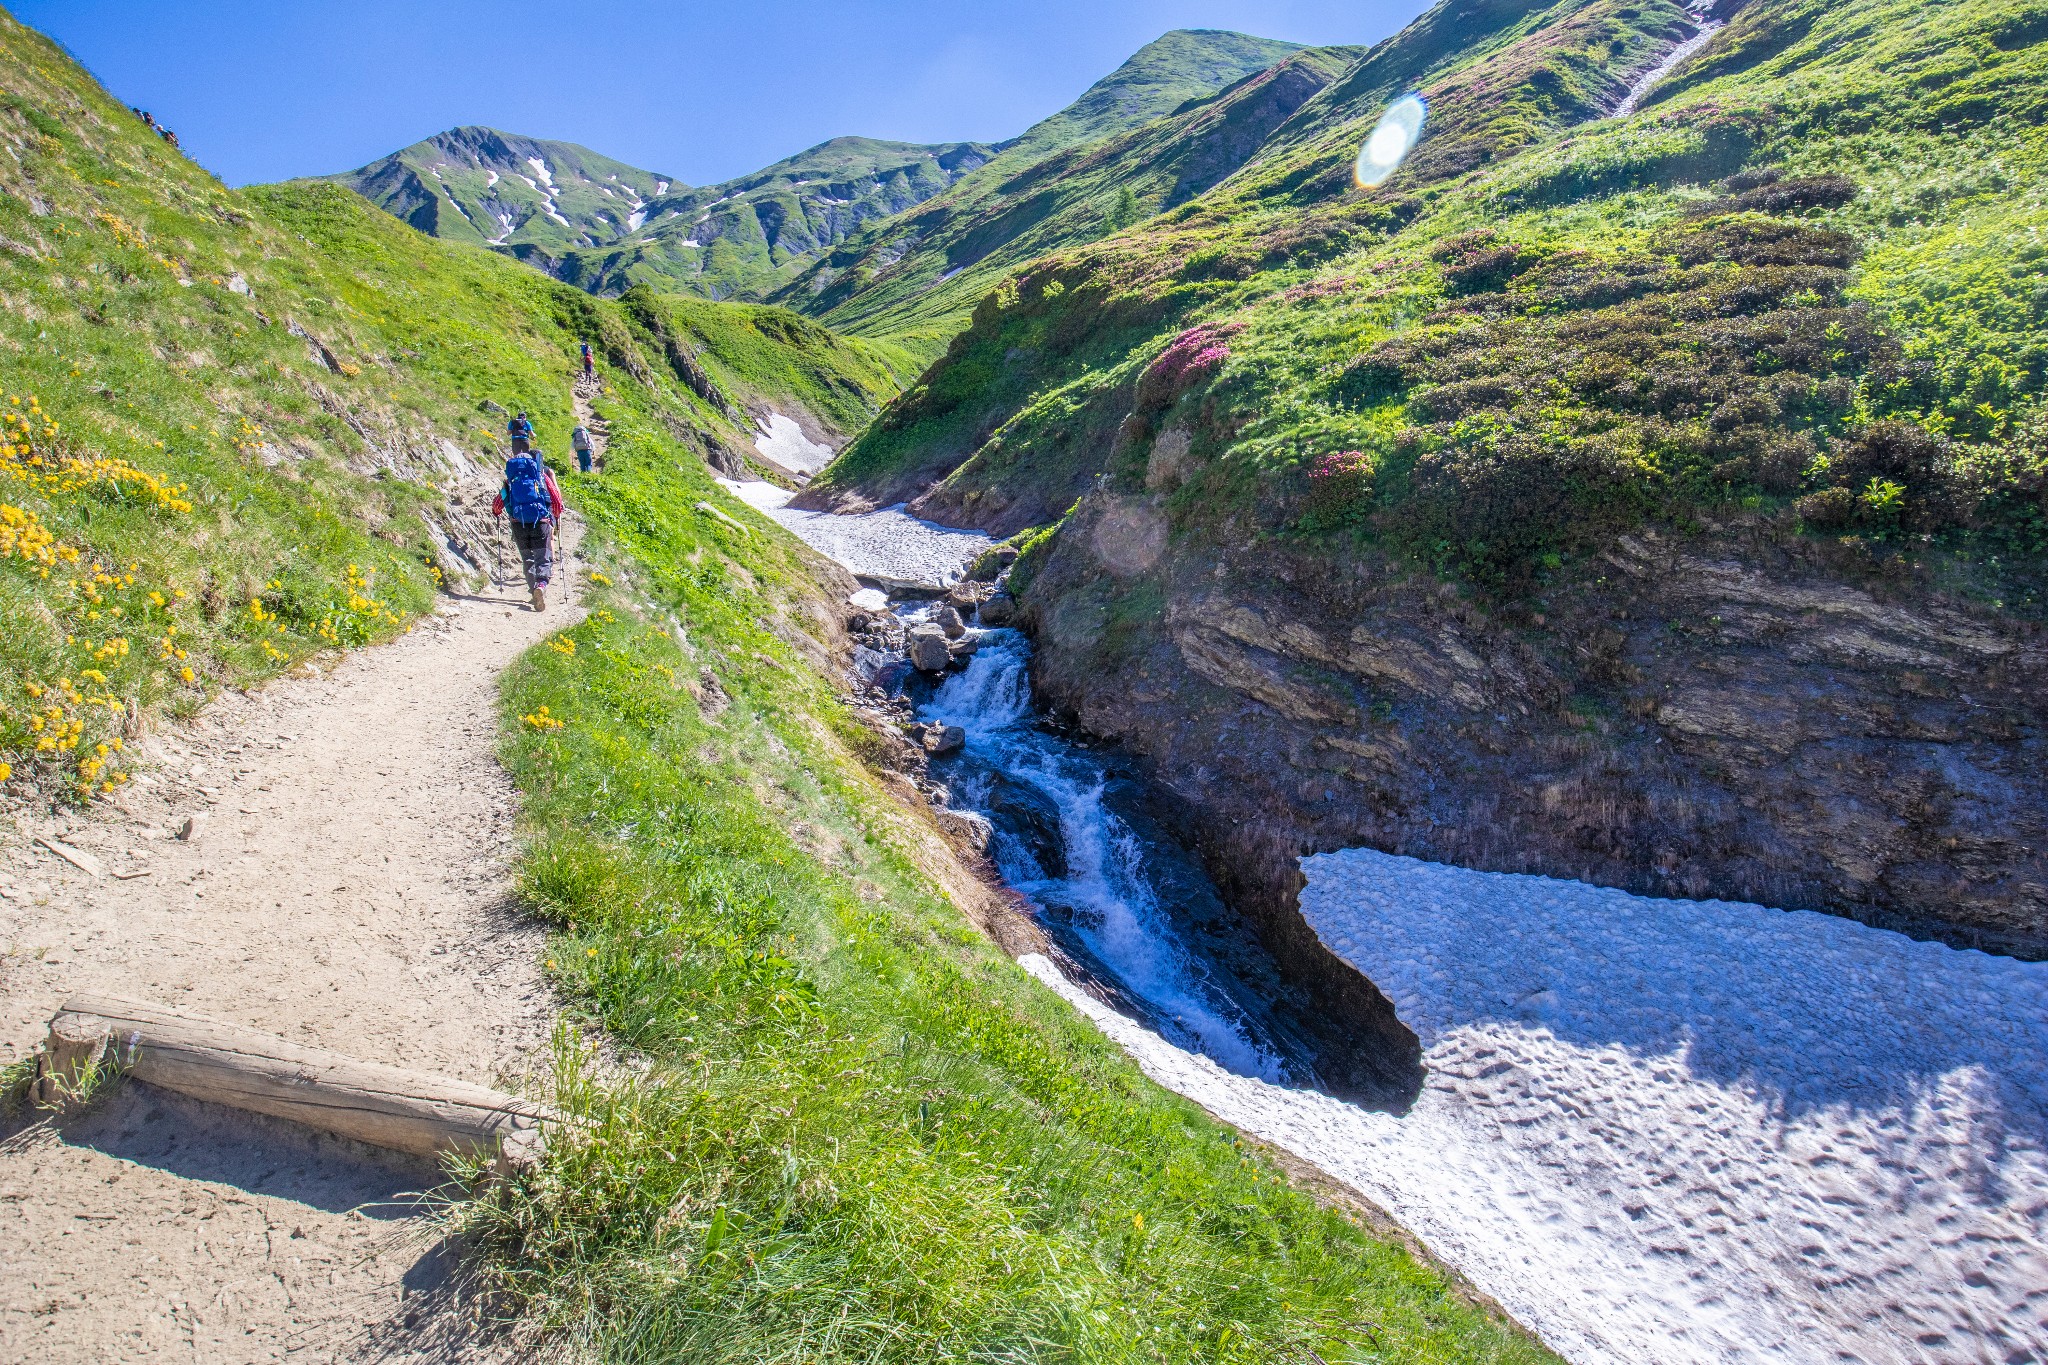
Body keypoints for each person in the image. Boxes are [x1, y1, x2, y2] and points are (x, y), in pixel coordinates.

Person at [493, 449, 563, 611]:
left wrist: (497, 512)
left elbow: (497, 504)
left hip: (518, 525)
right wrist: (555, 517)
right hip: (540, 522)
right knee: (542, 557)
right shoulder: (540, 477)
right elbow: (557, 502)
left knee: (528, 559)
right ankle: (541, 585)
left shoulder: (510, 481)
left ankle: (533, 590)